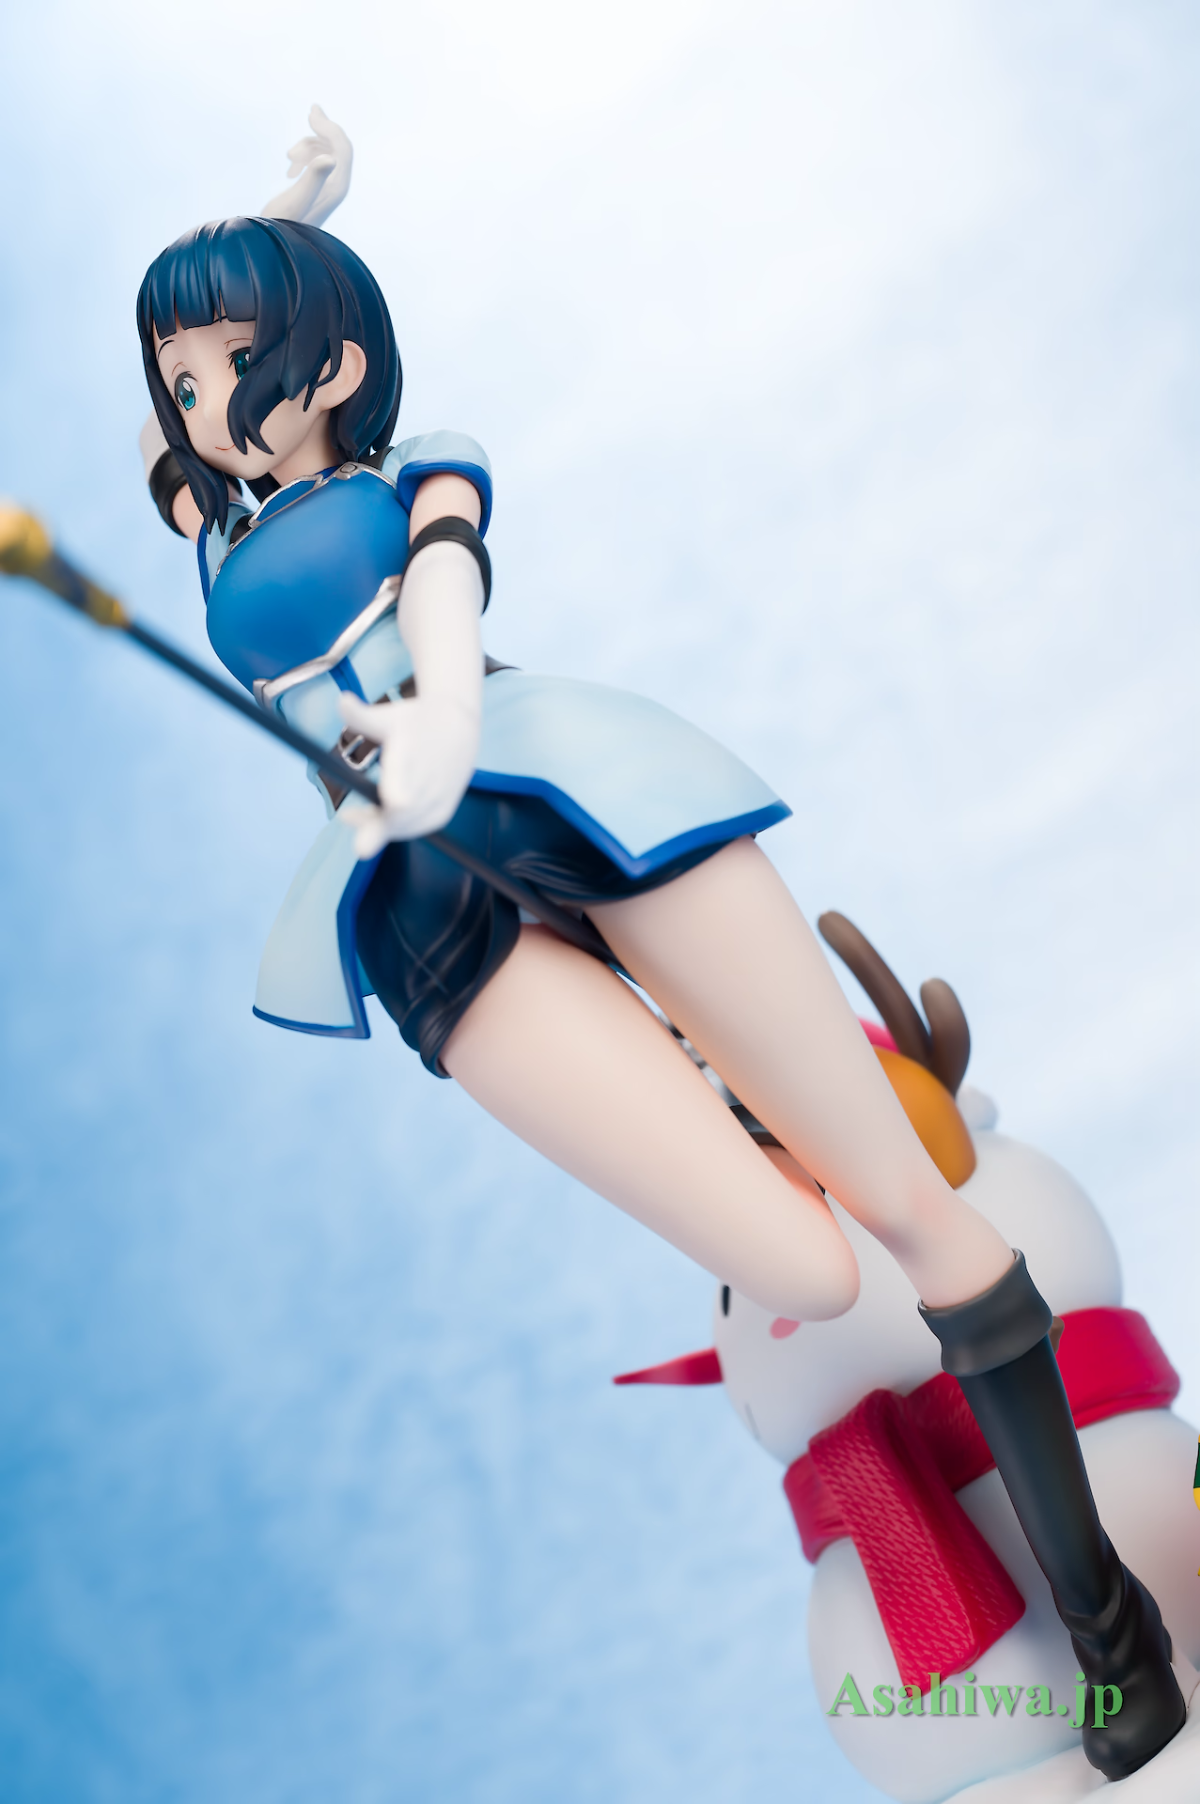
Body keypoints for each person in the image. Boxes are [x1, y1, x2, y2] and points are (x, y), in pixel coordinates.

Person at [133, 111, 1184, 1780]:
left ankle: (1111, 1623)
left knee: (908, 1205)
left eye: (227, 365)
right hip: (404, 889)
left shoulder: (421, 467)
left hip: (560, 778)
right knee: (807, 1269)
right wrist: (277, 222)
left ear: (328, 367)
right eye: (182, 377)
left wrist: (438, 729)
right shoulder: (212, 522)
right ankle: (738, 1095)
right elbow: (160, 422)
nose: (197, 404)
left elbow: (449, 602)